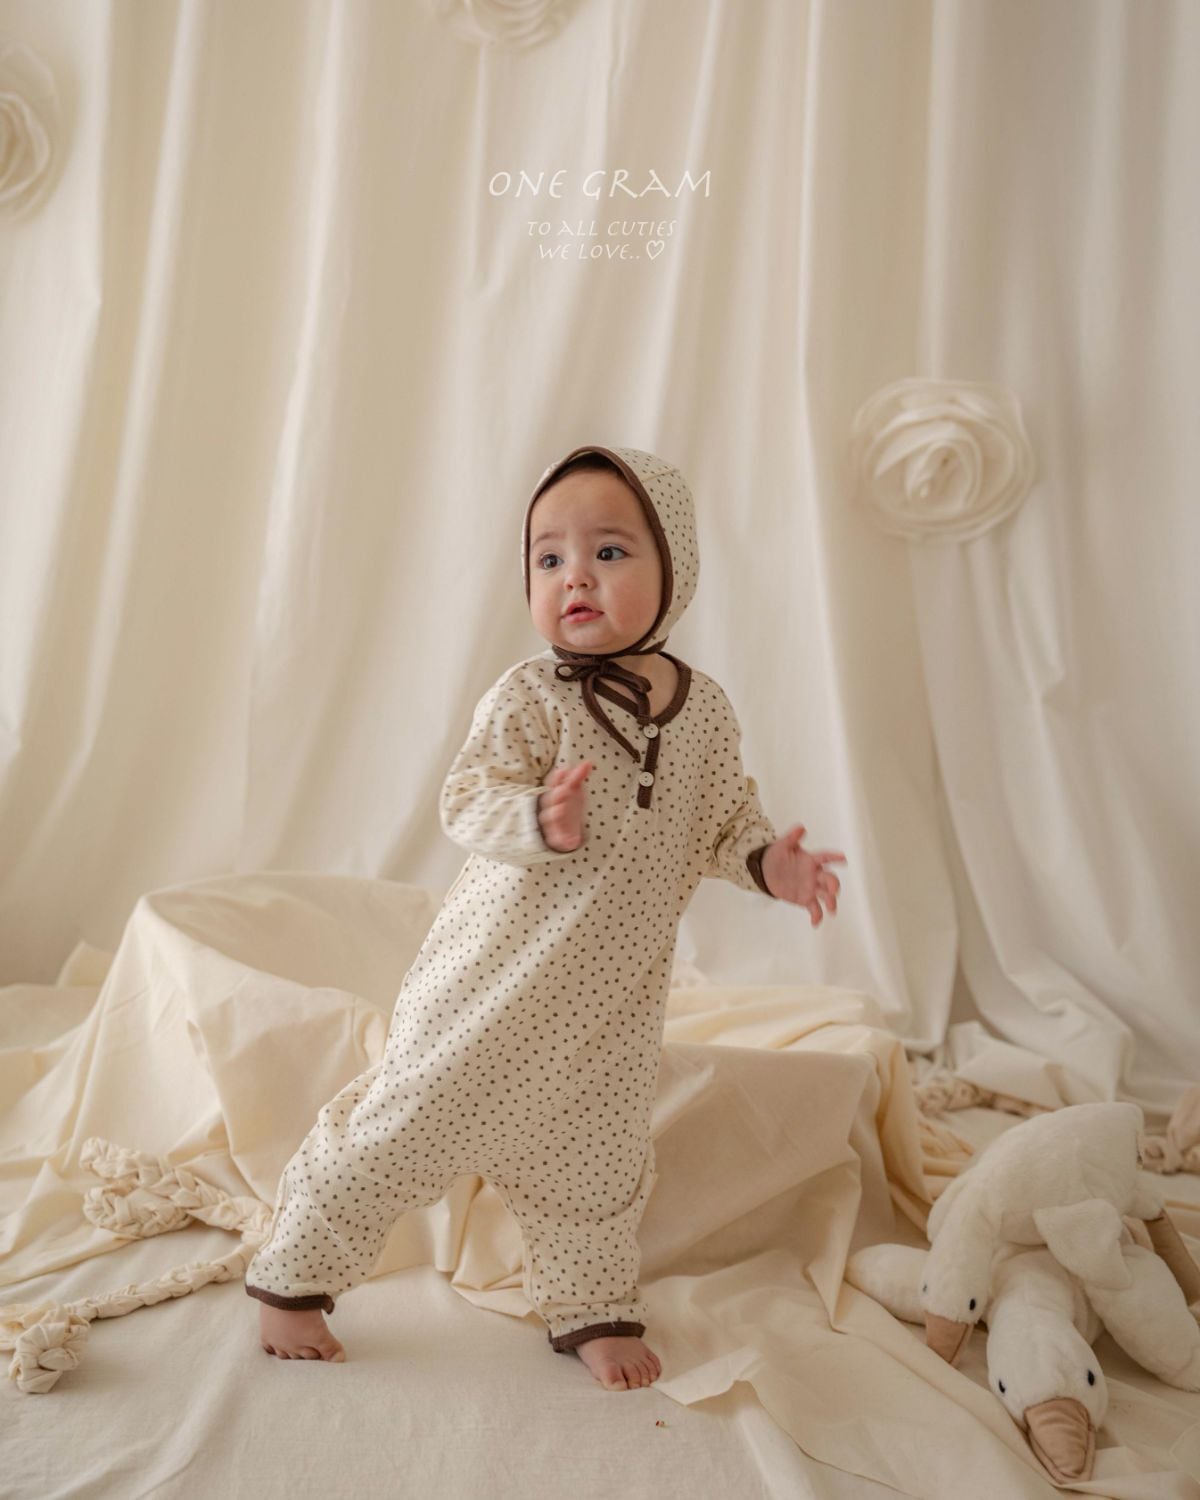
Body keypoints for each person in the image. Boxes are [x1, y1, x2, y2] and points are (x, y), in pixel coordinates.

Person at [246, 444, 846, 1391]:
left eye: (609, 552)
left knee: (596, 1169)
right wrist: (537, 818)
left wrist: (774, 864)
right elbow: (467, 796)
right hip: (490, 990)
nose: (576, 577)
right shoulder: (531, 696)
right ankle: (294, 1281)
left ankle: (589, 1306)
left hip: (608, 1013)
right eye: (549, 557)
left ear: (675, 566)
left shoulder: (704, 713)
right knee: (398, 1132)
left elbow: (725, 820)